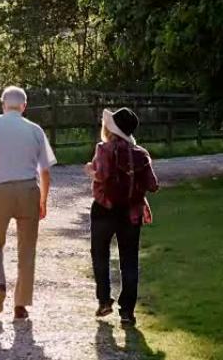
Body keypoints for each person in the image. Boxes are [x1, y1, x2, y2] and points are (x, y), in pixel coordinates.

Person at [0, 86, 56, 320]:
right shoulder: (35, 130)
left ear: (2, 104)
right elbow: (45, 171)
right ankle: (21, 305)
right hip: (28, 190)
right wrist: (44, 199)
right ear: (24, 106)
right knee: (27, 249)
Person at [84, 107, 159, 327]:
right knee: (129, 261)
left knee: (100, 255)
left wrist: (90, 171)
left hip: (104, 208)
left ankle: (104, 300)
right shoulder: (141, 154)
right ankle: (127, 311)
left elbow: (102, 174)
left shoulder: (103, 149)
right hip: (131, 212)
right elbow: (153, 185)